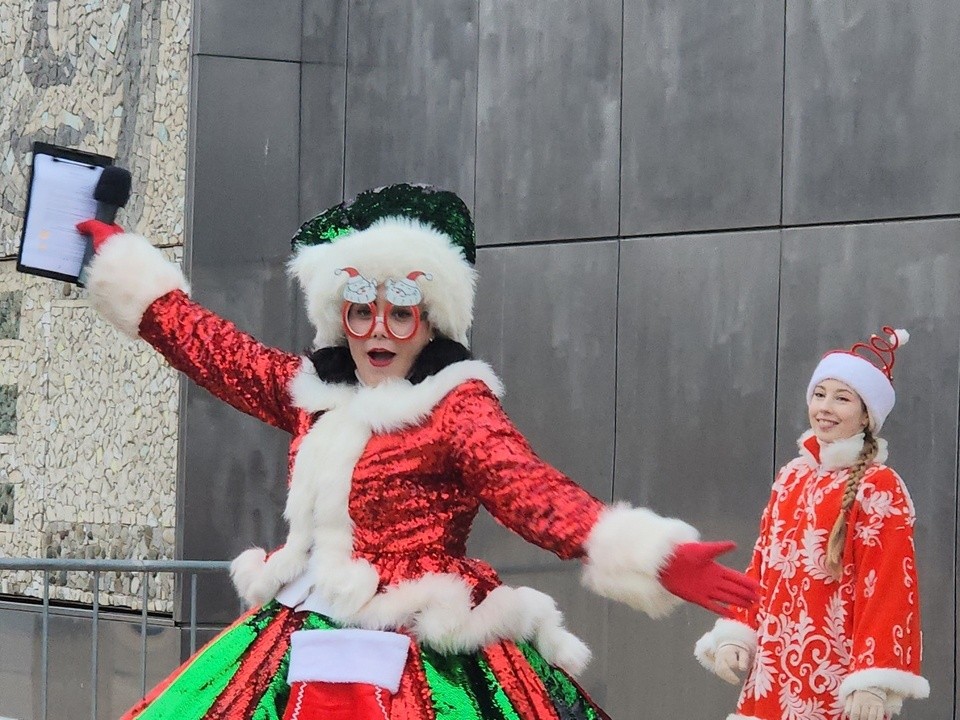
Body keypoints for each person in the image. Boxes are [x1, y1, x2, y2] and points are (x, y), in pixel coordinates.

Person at [78, 183, 757, 720]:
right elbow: (218, 353)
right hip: (305, 622)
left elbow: (528, 489)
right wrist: (123, 266)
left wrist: (644, 553)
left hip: (420, 641)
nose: (379, 329)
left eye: (399, 312)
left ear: (429, 320)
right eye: (359, 310)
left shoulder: (456, 406)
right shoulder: (317, 396)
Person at [694, 328, 929, 720]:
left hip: (839, 681)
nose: (825, 407)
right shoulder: (791, 477)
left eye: (842, 398)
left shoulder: (879, 486)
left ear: (867, 415)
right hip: (773, 676)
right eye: (819, 395)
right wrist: (738, 633)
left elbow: (889, 586)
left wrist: (872, 679)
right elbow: (762, 568)